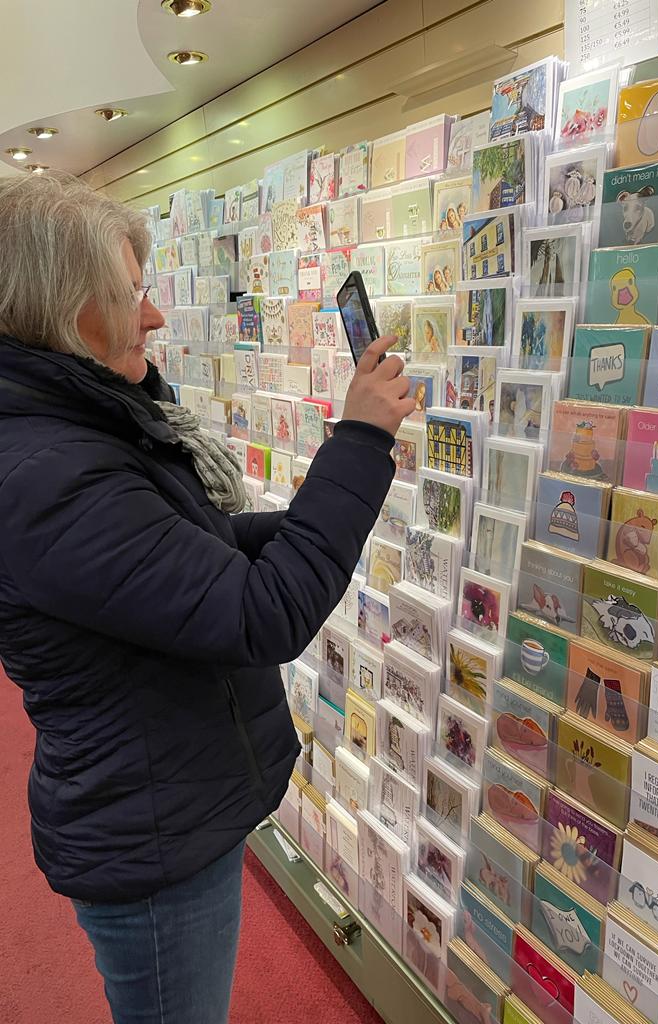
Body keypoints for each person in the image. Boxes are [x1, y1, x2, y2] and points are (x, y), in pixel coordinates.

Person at [0, 172, 416, 1024]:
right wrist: (361, 441)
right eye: (130, 295)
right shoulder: (50, 474)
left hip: (162, 800)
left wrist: (311, 518)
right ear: (66, 314)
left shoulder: (74, 430)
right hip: (151, 834)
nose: (154, 316)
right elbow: (263, 615)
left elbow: (192, 549)